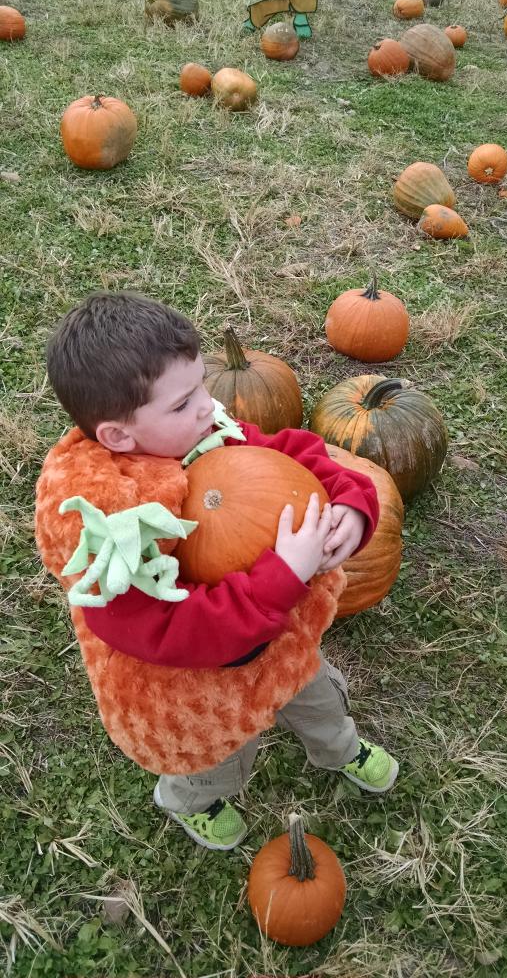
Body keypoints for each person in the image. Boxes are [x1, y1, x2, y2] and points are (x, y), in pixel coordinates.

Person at [35, 293, 399, 852]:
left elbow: (293, 455)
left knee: (322, 700)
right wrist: (283, 574)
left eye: (201, 386)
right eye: (183, 403)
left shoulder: (207, 435)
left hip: (283, 645)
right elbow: (170, 632)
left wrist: (350, 501)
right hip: (201, 688)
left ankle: (340, 747)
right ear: (117, 435)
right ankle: (190, 800)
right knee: (217, 760)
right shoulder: (108, 531)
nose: (207, 406)